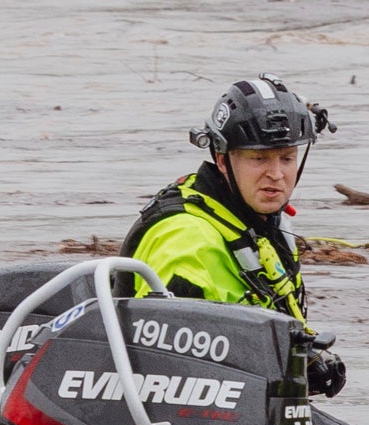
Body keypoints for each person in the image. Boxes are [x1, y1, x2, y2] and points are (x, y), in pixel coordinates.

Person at [122, 74, 345, 398]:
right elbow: (172, 370)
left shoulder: (263, 225)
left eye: (287, 158)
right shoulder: (185, 239)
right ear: (223, 160)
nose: (277, 174)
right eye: (259, 158)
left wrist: (307, 360)